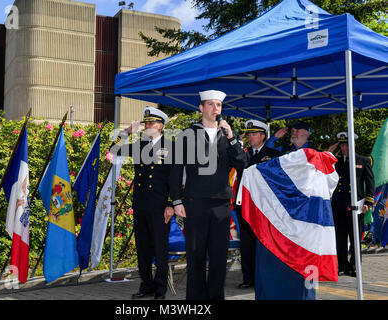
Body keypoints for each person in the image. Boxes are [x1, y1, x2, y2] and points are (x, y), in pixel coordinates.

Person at [169, 90, 248, 300]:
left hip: (221, 205)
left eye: (219, 106)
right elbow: (176, 168)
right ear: (201, 108)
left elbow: (242, 164)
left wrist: (231, 138)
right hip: (195, 203)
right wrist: (176, 200)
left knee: (219, 256)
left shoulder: (229, 136)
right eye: (211, 105)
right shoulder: (188, 134)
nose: (215, 109)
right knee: (195, 256)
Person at [110, 107, 174, 299]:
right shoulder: (140, 145)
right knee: (143, 249)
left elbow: (176, 178)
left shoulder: (171, 147)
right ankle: (147, 285)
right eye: (146, 123)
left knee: (160, 249)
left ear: (161, 126)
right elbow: (114, 149)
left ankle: (160, 289)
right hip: (141, 205)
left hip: (160, 206)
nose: (147, 125)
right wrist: (126, 132)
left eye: (151, 122)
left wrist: (171, 204)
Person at [235, 119, 282, 289]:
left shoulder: (273, 154)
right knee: (246, 244)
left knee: (264, 243)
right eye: (249, 134)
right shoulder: (242, 153)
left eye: (254, 134)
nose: (250, 137)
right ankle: (249, 278)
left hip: (264, 207)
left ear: (263, 136)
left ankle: (265, 278)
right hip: (245, 205)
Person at [328, 132, 375, 277]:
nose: (344, 148)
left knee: (355, 238)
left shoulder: (363, 160)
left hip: (357, 206)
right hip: (339, 205)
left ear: (353, 144)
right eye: (342, 145)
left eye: (347, 144)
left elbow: (370, 182)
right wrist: (330, 151)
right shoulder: (335, 161)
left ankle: (355, 267)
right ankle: (342, 266)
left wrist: (369, 201)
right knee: (340, 238)